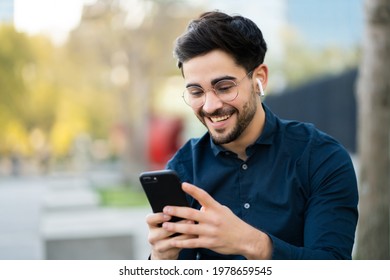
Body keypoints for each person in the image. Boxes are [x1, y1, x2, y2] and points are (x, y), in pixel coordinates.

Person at [146, 10, 359, 260]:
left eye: (224, 87)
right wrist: (161, 262)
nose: (210, 105)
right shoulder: (183, 169)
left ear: (259, 79)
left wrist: (254, 244)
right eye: (196, 92)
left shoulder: (322, 158)